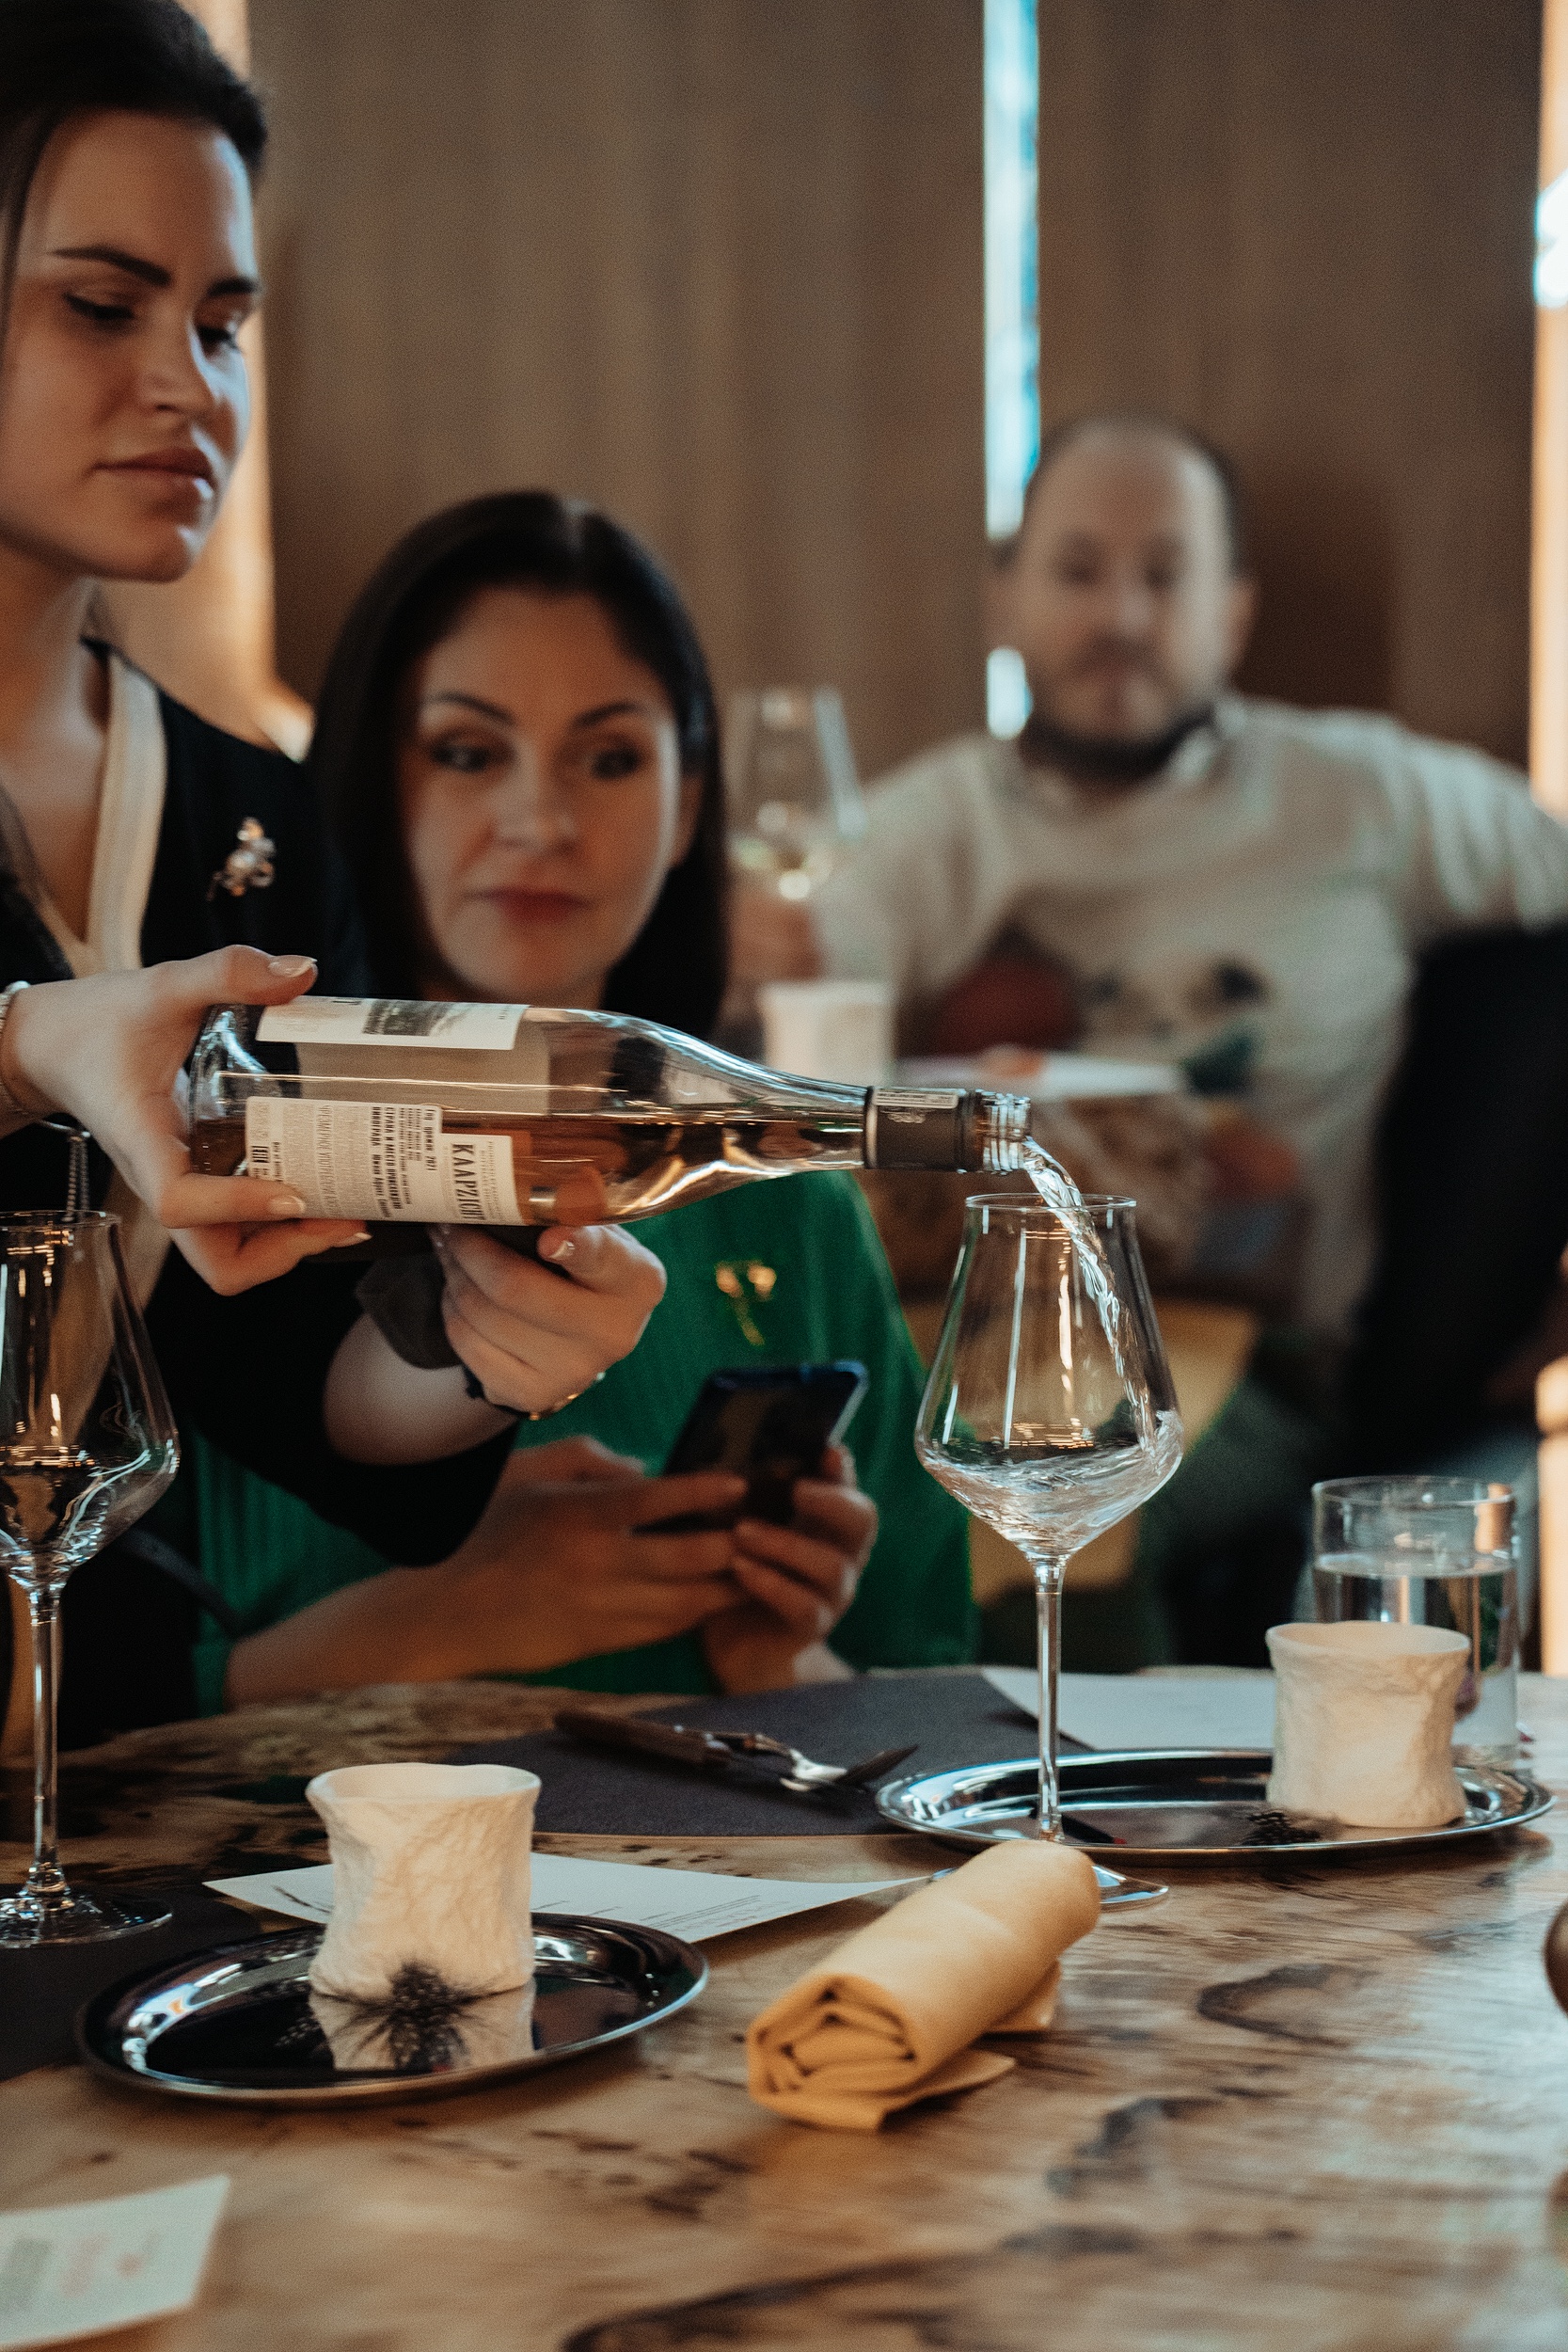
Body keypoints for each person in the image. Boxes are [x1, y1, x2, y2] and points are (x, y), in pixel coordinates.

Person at [0, 0, 667, 1747]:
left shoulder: (250, 818)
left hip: (95, 1750)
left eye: (221, 323)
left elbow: (299, 1374)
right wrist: (31, 1046)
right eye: (102, 306)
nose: (189, 385)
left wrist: (487, 1344)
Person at [735, 412, 1568, 1657]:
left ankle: (1083, 1789)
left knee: (1063, 1513)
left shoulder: (1367, 798)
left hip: (1255, 1347)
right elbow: (790, 1050)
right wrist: (765, 972)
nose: (1120, 616)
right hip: (959, 1337)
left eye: (1166, 576)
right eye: (1077, 572)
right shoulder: (920, 832)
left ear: (1233, 612)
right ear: (1005, 599)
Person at [168, 491, 973, 1705]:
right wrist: (442, 1618)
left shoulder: (790, 1205)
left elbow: (934, 1691)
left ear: (687, 805)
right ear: (374, 783)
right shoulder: (240, 1170)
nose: (540, 821)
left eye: (610, 759)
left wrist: (780, 1658)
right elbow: (72, 1719)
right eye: (467, 752)